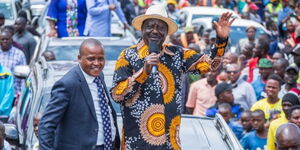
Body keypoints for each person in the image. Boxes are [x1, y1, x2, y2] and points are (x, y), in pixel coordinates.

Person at [110, 4, 234, 149]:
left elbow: (209, 64)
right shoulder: (127, 56)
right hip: (137, 144)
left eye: (160, 27)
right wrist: (143, 72)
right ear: (142, 29)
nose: (155, 31)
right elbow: (117, 95)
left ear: (166, 32)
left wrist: (221, 40)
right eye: (150, 26)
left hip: (170, 144)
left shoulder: (177, 55)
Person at [38, 38, 120, 150]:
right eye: (91, 59)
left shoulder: (99, 76)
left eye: (100, 59)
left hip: (108, 146)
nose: (96, 63)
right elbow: (46, 125)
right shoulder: (67, 84)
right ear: (79, 59)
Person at [0, 30, 26, 96]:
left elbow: (23, 77)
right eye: (2, 39)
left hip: (14, 93)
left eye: (7, 39)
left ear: (11, 40)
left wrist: (21, 94)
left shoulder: (19, 54)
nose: (5, 41)